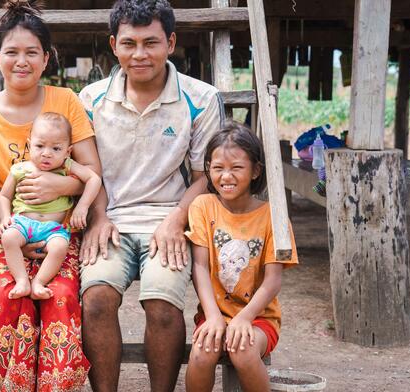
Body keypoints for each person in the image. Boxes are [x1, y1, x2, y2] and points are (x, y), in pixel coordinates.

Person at [78, 0, 225, 390]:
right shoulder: (91, 100)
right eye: (129, 43)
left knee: (162, 306)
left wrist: (177, 219)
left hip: (171, 219)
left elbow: (205, 176)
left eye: (151, 42)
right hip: (110, 219)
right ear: (113, 45)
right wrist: (98, 216)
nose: (139, 54)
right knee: (95, 299)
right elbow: (89, 171)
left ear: (171, 43)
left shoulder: (201, 98)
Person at [0, 1, 102, 390]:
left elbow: (93, 170)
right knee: (7, 297)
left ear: (46, 58)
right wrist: (11, 231)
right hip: (7, 232)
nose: (21, 61)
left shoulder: (66, 102)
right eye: (11, 52)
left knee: (59, 296)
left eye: (31, 52)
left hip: (60, 232)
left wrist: (63, 186)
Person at [184, 121, 298, 391]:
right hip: (214, 312)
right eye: (217, 168)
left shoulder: (273, 216)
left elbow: (272, 281)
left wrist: (245, 318)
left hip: (258, 316)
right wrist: (212, 316)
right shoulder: (202, 206)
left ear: (256, 170)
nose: (226, 176)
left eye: (236, 168)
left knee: (243, 350)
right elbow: (199, 267)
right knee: (202, 353)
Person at [0, 112, 102, 300]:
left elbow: (94, 179)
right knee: (9, 238)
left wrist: (82, 206)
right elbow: (4, 196)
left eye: (56, 148)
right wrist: (5, 216)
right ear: (29, 145)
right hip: (22, 223)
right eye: (39, 146)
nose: (46, 153)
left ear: (67, 151)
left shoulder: (66, 166)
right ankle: (21, 280)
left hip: (53, 229)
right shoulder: (20, 169)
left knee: (60, 247)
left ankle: (38, 282)